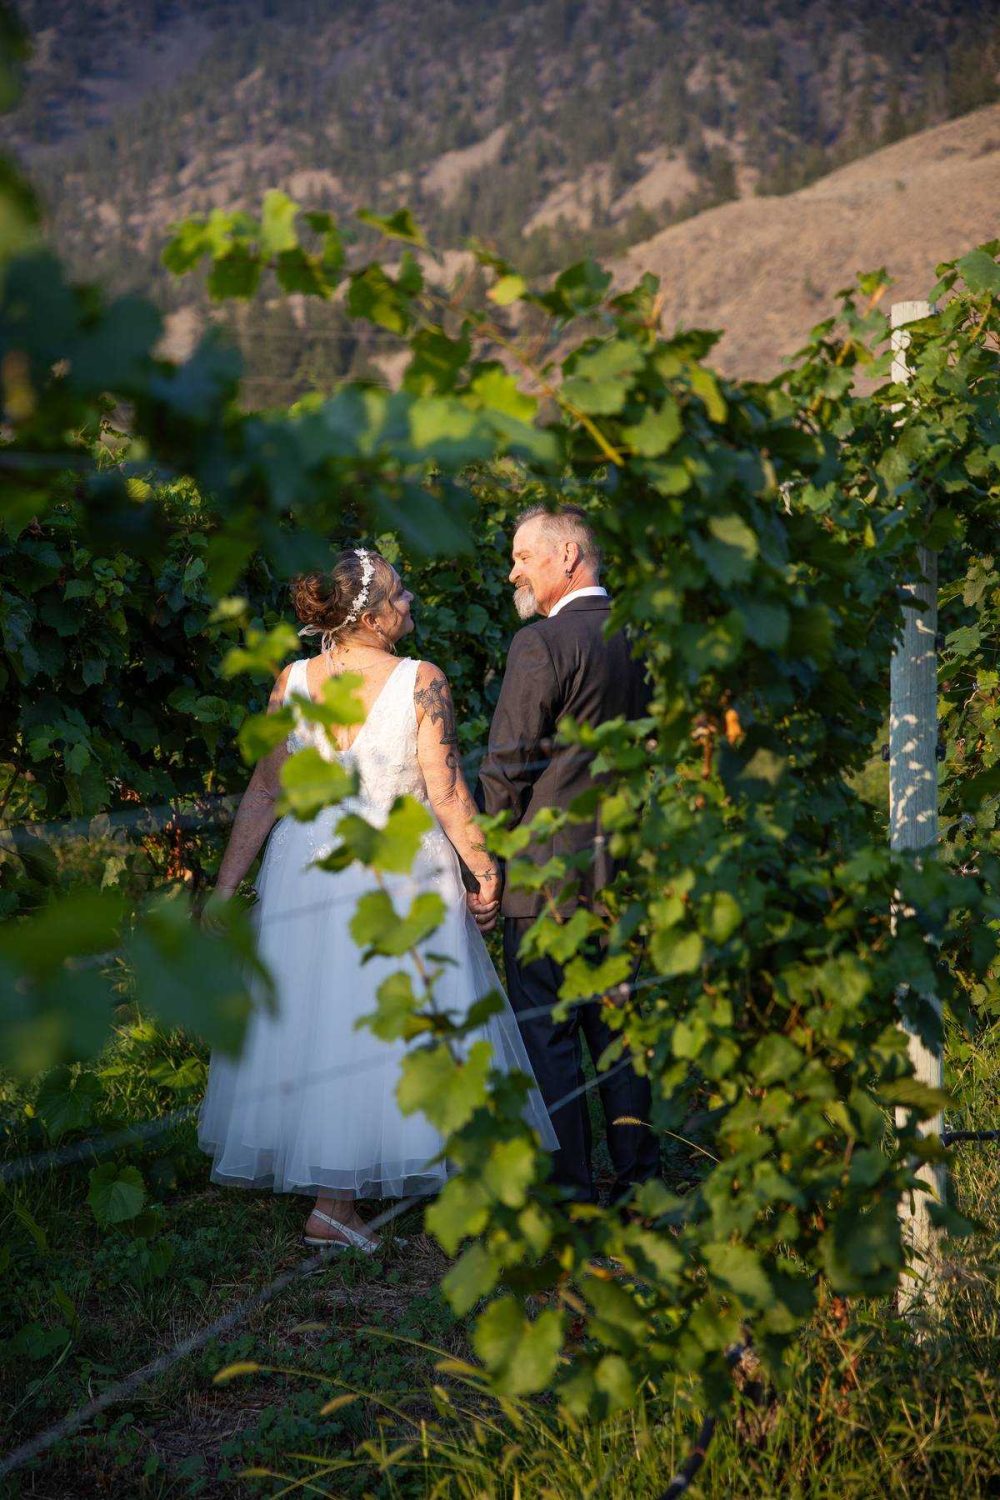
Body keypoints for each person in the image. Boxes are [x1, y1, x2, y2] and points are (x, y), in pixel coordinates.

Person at [198, 547, 557, 1252]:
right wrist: (484, 870)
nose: (409, 601)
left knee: (323, 1017)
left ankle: (336, 1195)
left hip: (309, 862)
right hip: (397, 866)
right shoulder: (422, 680)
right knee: (395, 1014)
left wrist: (225, 888)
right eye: (398, 593)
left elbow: (266, 790)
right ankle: (345, 1203)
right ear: (367, 615)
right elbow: (447, 790)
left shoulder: (291, 682)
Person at [476, 505, 660, 1206]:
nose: (513, 572)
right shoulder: (641, 636)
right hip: (623, 867)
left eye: (524, 557)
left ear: (568, 556)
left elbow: (506, 767)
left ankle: (570, 1200)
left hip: (545, 877)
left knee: (550, 1040)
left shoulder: (541, 644)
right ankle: (641, 1190)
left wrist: (486, 863)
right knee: (619, 1034)